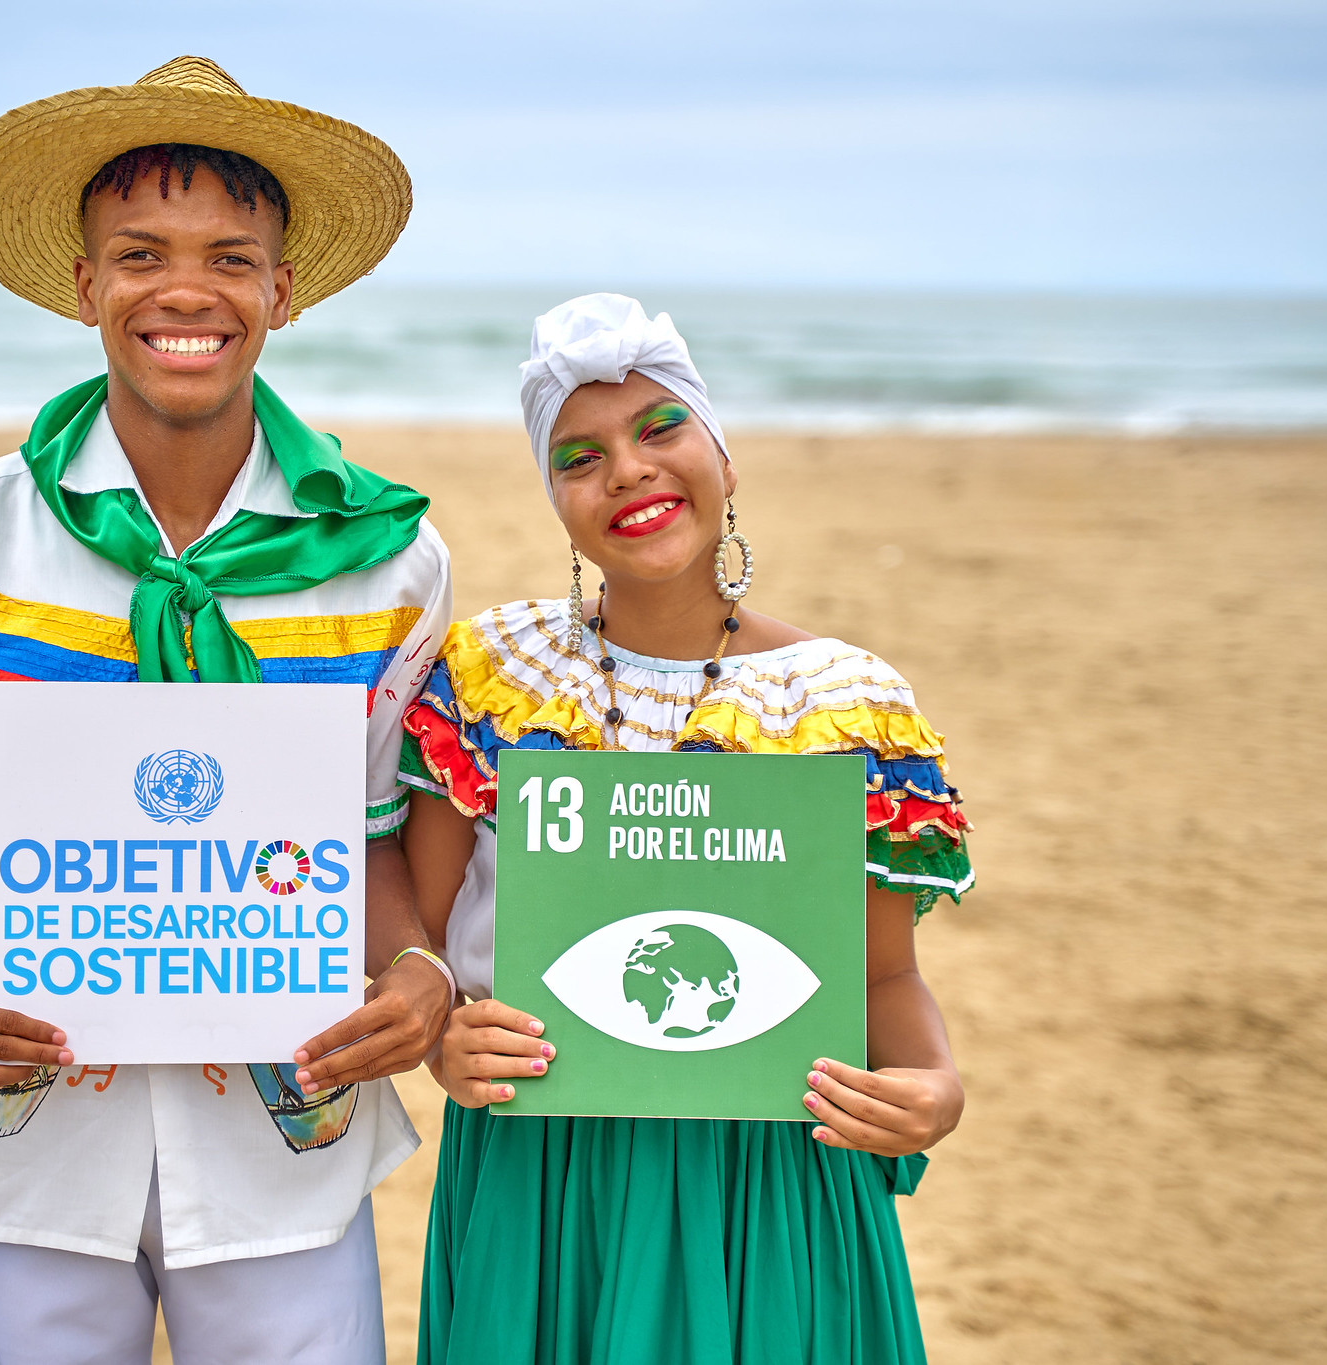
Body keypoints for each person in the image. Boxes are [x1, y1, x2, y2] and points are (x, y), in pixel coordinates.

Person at [0, 57, 458, 1365]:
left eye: (230, 257)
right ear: (84, 283)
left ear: (281, 288)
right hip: (16, 1139)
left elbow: (379, 833)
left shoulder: (391, 565)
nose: (184, 291)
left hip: (285, 1137)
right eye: (140, 253)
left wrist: (421, 977)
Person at [398, 294, 973, 1363]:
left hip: (772, 1172)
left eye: (659, 428)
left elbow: (880, 977)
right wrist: (440, 1037)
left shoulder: (844, 701)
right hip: (543, 1163)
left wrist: (932, 1087)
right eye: (579, 456)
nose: (626, 469)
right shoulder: (494, 674)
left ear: (723, 457)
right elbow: (417, 939)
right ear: (556, 503)